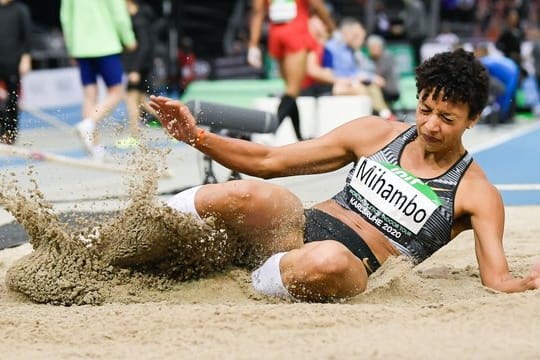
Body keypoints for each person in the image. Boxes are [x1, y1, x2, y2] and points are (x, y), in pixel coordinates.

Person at [148, 48, 540, 302]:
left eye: (447, 118)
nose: (430, 125)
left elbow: (496, 276)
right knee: (258, 193)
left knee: (331, 259)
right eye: (425, 109)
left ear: (472, 120)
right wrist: (195, 135)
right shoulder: (375, 133)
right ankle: (143, 227)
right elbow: (269, 160)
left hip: (349, 269)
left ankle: (243, 285)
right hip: (298, 232)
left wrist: (523, 283)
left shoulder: (476, 193)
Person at [247, 0, 336, 141]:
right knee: (292, 91)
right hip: (296, 32)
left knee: (290, 90)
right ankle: (270, 132)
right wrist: (330, 26)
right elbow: (317, 4)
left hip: (276, 35)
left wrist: (253, 45)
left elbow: (258, 11)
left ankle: (300, 138)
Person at [60, 0, 137, 160]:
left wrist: (71, 47)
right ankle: (88, 124)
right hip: (105, 44)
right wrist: (128, 38)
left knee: (89, 96)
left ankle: (95, 148)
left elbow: (65, 18)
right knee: (116, 92)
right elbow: (119, 14)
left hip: (81, 47)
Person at [324, 17, 395, 120]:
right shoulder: (333, 47)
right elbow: (338, 72)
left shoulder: (348, 50)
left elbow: (353, 71)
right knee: (363, 89)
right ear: (346, 31)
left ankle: (385, 115)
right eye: (355, 35)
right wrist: (366, 77)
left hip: (349, 81)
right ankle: (382, 116)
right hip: (338, 83)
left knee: (373, 87)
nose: (357, 39)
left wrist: (369, 77)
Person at [117, 0, 156, 149]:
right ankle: (174, 127)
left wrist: (135, 69)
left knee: (132, 100)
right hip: (141, 66)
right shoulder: (139, 17)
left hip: (140, 68)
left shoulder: (139, 20)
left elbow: (145, 46)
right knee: (143, 102)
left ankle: (135, 136)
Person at [0, 0, 32, 145]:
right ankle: (1, 133)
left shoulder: (20, 9)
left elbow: (27, 35)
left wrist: (26, 57)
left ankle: (11, 134)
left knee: (12, 101)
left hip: (13, 63)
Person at [474, 43, 520, 124]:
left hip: (510, 72)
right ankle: (508, 116)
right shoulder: (491, 57)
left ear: (482, 51)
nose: (476, 54)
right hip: (513, 68)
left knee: (506, 95)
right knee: (510, 95)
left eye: (477, 52)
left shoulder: (484, 60)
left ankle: (503, 117)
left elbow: (483, 77)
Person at [365, 34, 401, 105]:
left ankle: (385, 112)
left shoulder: (387, 57)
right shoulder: (371, 59)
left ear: (381, 47)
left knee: (372, 89)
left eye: (375, 47)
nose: (373, 50)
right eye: (371, 47)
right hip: (381, 87)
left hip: (390, 88)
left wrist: (371, 77)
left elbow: (380, 74)